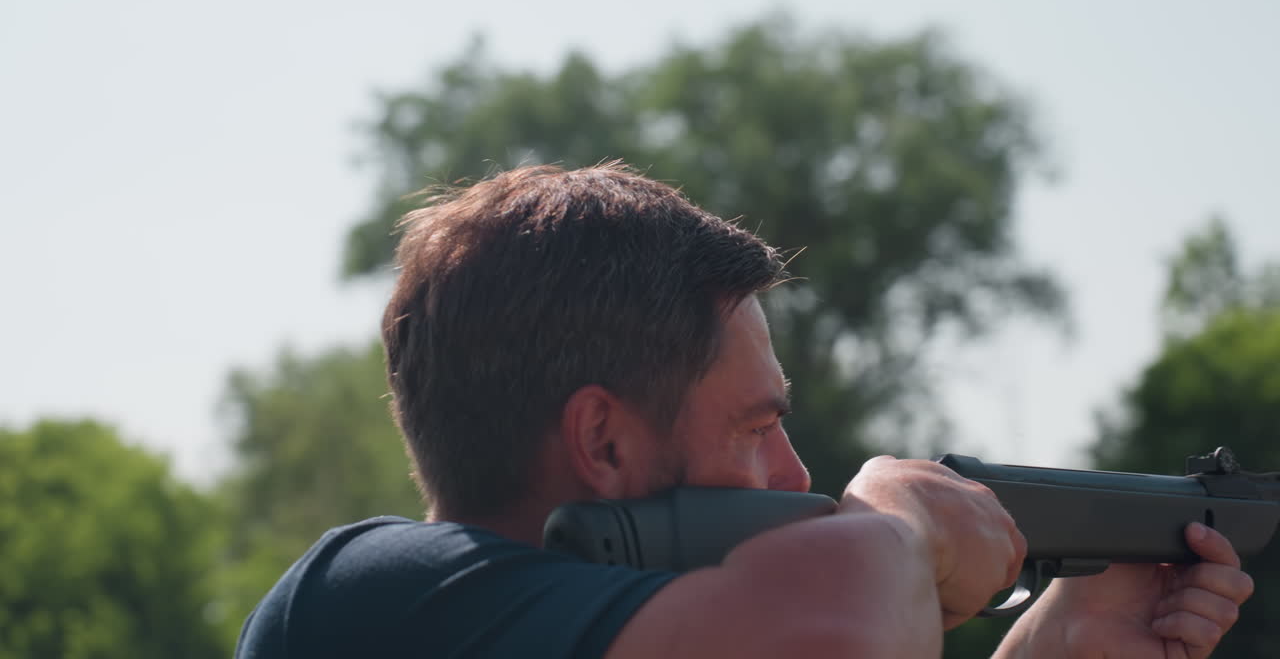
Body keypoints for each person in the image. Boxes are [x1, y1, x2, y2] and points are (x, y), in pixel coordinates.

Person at [236, 162, 1254, 658]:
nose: (792, 473)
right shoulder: (365, 600)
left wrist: (1051, 650)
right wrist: (900, 516)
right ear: (602, 441)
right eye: (753, 425)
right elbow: (834, 633)